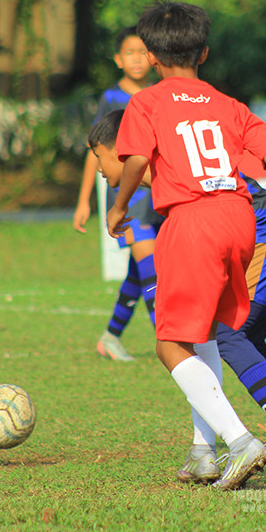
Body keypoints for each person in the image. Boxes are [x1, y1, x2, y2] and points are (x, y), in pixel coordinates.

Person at [88, 109, 266, 465]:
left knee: (224, 334)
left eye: (98, 156)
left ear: (120, 149)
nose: (99, 169)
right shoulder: (171, 165)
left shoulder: (166, 168)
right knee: (247, 342)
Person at [107, 0, 266, 491]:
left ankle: (240, 441)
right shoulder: (228, 104)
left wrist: (118, 207)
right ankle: (203, 452)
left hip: (191, 222)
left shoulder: (146, 102)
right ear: (206, 52)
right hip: (238, 219)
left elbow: (133, 163)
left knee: (169, 342)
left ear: (152, 57)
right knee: (208, 333)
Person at [73, 26, 161, 362]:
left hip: (156, 193)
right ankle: (170, 342)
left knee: (140, 271)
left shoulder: (160, 94)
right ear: (117, 59)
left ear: (153, 57)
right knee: (153, 268)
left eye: (143, 52)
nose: (137, 59)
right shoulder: (111, 99)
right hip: (129, 198)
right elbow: (93, 149)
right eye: (130, 53)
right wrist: (84, 201)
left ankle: (110, 336)